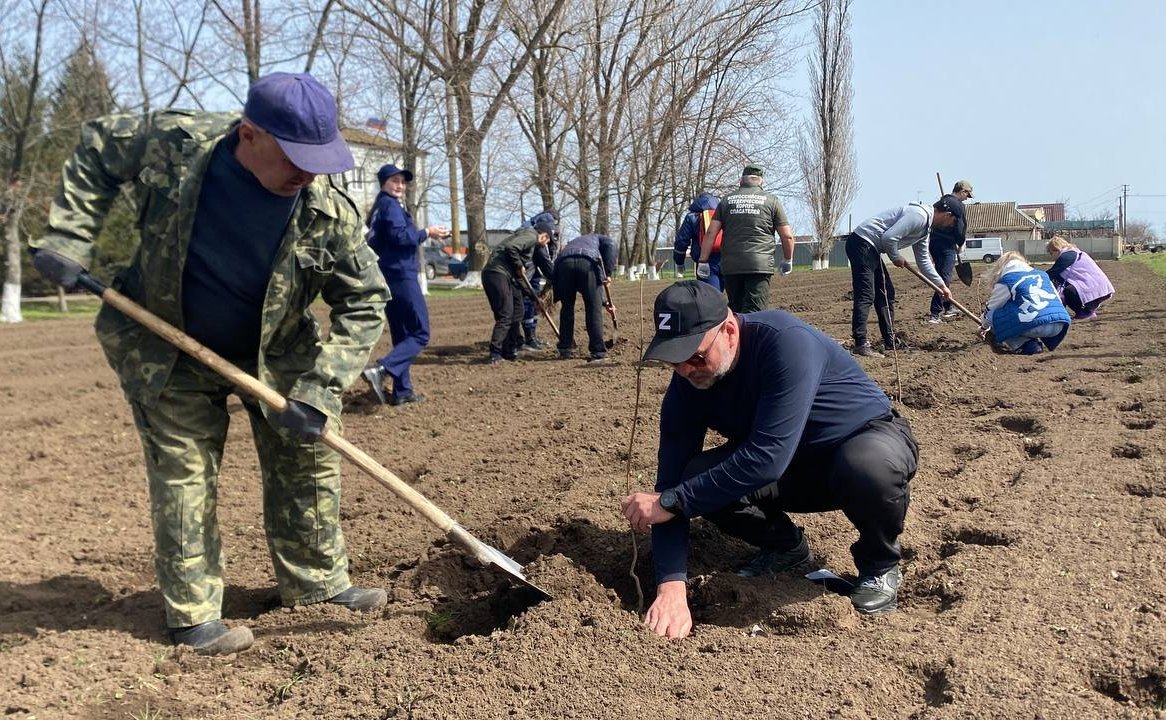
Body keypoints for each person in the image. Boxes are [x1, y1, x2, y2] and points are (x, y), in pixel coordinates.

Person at [29, 72, 391, 656]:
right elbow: (97, 145)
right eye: (296, 156)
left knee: (306, 462)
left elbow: (366, 300)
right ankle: (195, 615)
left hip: (279, 355)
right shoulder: (175, 145)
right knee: (185, 474)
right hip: (166, 344)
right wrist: (71, 237)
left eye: (320, 158)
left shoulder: (330, 212)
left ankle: (317, 585)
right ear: (249, 135)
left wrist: (322, 388)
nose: (308, 172)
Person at [621, 281, 919, 639]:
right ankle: (785, 547)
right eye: (675, 360)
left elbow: (766, 457)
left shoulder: (784, 342)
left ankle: (879, 566)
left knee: (866, 465)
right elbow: (668, 489)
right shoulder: (686, 387)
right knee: (696, 476)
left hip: (862, 441)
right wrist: (671, 587)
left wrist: (675, 499)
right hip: (792, 467)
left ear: (729, 331)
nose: (686, 370)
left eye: (696, 356)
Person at [361, 164, 449, 406]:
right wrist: (427, 232)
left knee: (402, 335)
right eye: (394, 180)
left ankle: (402, 391)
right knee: (420, 333)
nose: (400, 185)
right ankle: (382, 369)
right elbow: (400, 237)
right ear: (383, 183)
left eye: (402, 181)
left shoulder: (380, 207)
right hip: (401, 275)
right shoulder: (390, 206)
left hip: (387, 277)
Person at [846, 198, 960, 357]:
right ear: (948, 215)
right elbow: (889, 238)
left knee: (886, 293)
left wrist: (941, 286)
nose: (951, 226)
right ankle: (860, 343)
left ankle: (890, 341)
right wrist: (895, 257)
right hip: (862, 243)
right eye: (953, 221)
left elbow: (923, 261)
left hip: (871, 247)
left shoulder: (925, 228)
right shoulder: (918, 216)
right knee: (866, 294)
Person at [696, 164, 795, 312]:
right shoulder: (772, 201)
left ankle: (736, 334)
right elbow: (787, 236)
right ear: (761, 182)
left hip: (731, 265)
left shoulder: (726, 201)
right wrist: (788, 259)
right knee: (755, 312)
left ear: (741, 181)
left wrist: (703, 261)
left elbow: (711, 233)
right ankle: (751, 334)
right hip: (759, 265)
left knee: (736, 310)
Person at [481, 216, 557, 363]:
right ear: (544, 235)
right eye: (548, 241)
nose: (547, 244)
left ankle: (509, 351)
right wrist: (518, 264)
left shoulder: (530, 241)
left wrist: (535, 298)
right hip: (496, 273)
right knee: (505, 314)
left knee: (518, 310)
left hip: (507, 277)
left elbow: (522, 279)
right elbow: (511, 248)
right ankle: (495, 353)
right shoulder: (531, 235)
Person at [980, 251, 1071, 355]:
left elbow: (992, 309)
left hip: (1035, 325)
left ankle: (1026, 345)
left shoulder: (1007, 280)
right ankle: (1033, 339)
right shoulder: (1043, 275)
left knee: (999, 319)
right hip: (1059, 325)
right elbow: (1058, 300)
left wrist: (984, 325)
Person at [552, 233, 617, 363]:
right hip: (587, 263)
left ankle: (565, 348)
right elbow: (611, 245)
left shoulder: (576, 241)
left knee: (567, 308)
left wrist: (605, 302)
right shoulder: (603, 239)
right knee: (593, 308)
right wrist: (608, 273)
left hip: (563, 264)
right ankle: (597, 351)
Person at [927, 181, 973, 323]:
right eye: (967, 195)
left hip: (934, 244)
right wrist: (960, 243)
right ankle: (935, 313)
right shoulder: (958, 206)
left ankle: (948, 307)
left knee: (942, 275)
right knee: (945, 277)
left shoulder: (940, 203)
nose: (967, 198)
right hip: (947, 245)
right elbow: (960, 227)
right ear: (962, 191)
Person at [518, 210, 560, 351]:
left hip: (532, 270)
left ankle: (532, 337)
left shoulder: (533, 224)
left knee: (534, 302)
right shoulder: (545, 222)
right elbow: (543, 256)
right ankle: (528, 339)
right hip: (527, 272)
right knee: (529, 302)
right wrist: (554, 276)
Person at [1045, 235, 1114, 321]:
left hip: (1093, 288)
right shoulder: (1073, 253)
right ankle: (1087, 311)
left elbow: (1053, 272)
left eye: (1051, 253)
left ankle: (1085, 313)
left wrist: (1036, 276)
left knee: (1068, 291)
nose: (1051, 256)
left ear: (1056, 249)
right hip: (1100, 287)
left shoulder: (1066, 256)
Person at [673, 192, 722, 290]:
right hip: (727, 260)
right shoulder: (724, 213)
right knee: (733, 300)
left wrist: (679, 262)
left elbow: (682, 241)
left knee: (709, 296)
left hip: (704, 261)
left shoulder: (692, 216)